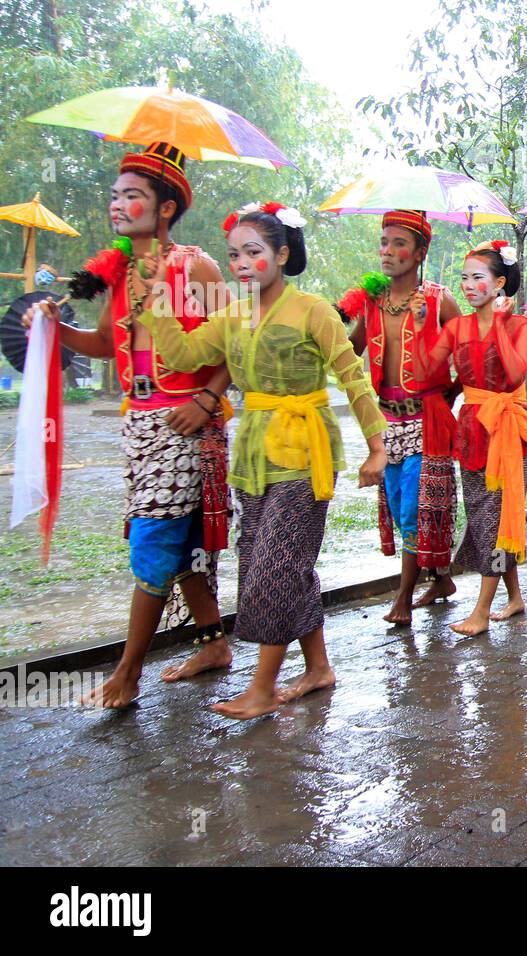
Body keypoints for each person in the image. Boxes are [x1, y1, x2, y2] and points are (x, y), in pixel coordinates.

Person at [137, 201, 386, 719]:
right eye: (233, 255)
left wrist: (377, 447)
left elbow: (353, 376)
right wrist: (159, 295)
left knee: (274, 566)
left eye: (253, 251)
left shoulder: (313, 310)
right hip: (253, 453)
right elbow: (183, 357)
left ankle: (262, 688)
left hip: (305, 452)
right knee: (270, 563)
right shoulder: (230, 315)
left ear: (281, 253)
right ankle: (318, 668)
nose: (242, 262)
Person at [24, 142, 233, 709]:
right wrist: (54, 327)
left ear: (166, 208)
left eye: (132, 196)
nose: (118, 205)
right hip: (137, 421)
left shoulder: (197, 266)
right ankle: (214, 644)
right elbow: (103, 345)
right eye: (116, 195)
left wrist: (209, 400)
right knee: (183, 540)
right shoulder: (114, 273)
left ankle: (127, 671)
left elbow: (239, 340)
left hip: (187, 419)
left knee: (153, 538)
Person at [338, 210, 462, 624]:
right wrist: (337, 319)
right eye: (384, 242)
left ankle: (403, 598)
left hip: (428, 420)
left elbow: (469, 354)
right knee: (400, 507)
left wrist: (447, 396)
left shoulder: (440, 299)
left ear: (421, 251)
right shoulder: (372, 302)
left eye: (399, 244)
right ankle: (441, 578)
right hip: (386, 423)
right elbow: (349, 352)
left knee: (414, 510)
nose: (388, 252)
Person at [418, 240, 527, 636]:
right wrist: (418, 325)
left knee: (494, 522)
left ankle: (481, 611)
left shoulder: (521, 326)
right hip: (470, 431)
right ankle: (514, 597)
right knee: (489, 519)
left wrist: (500, 325)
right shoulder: (456, 327)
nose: (467, 285)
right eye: (464, 277)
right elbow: (426, 372)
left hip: (506, 432)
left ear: (499, 283)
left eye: (477, 277)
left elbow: (516, 374)